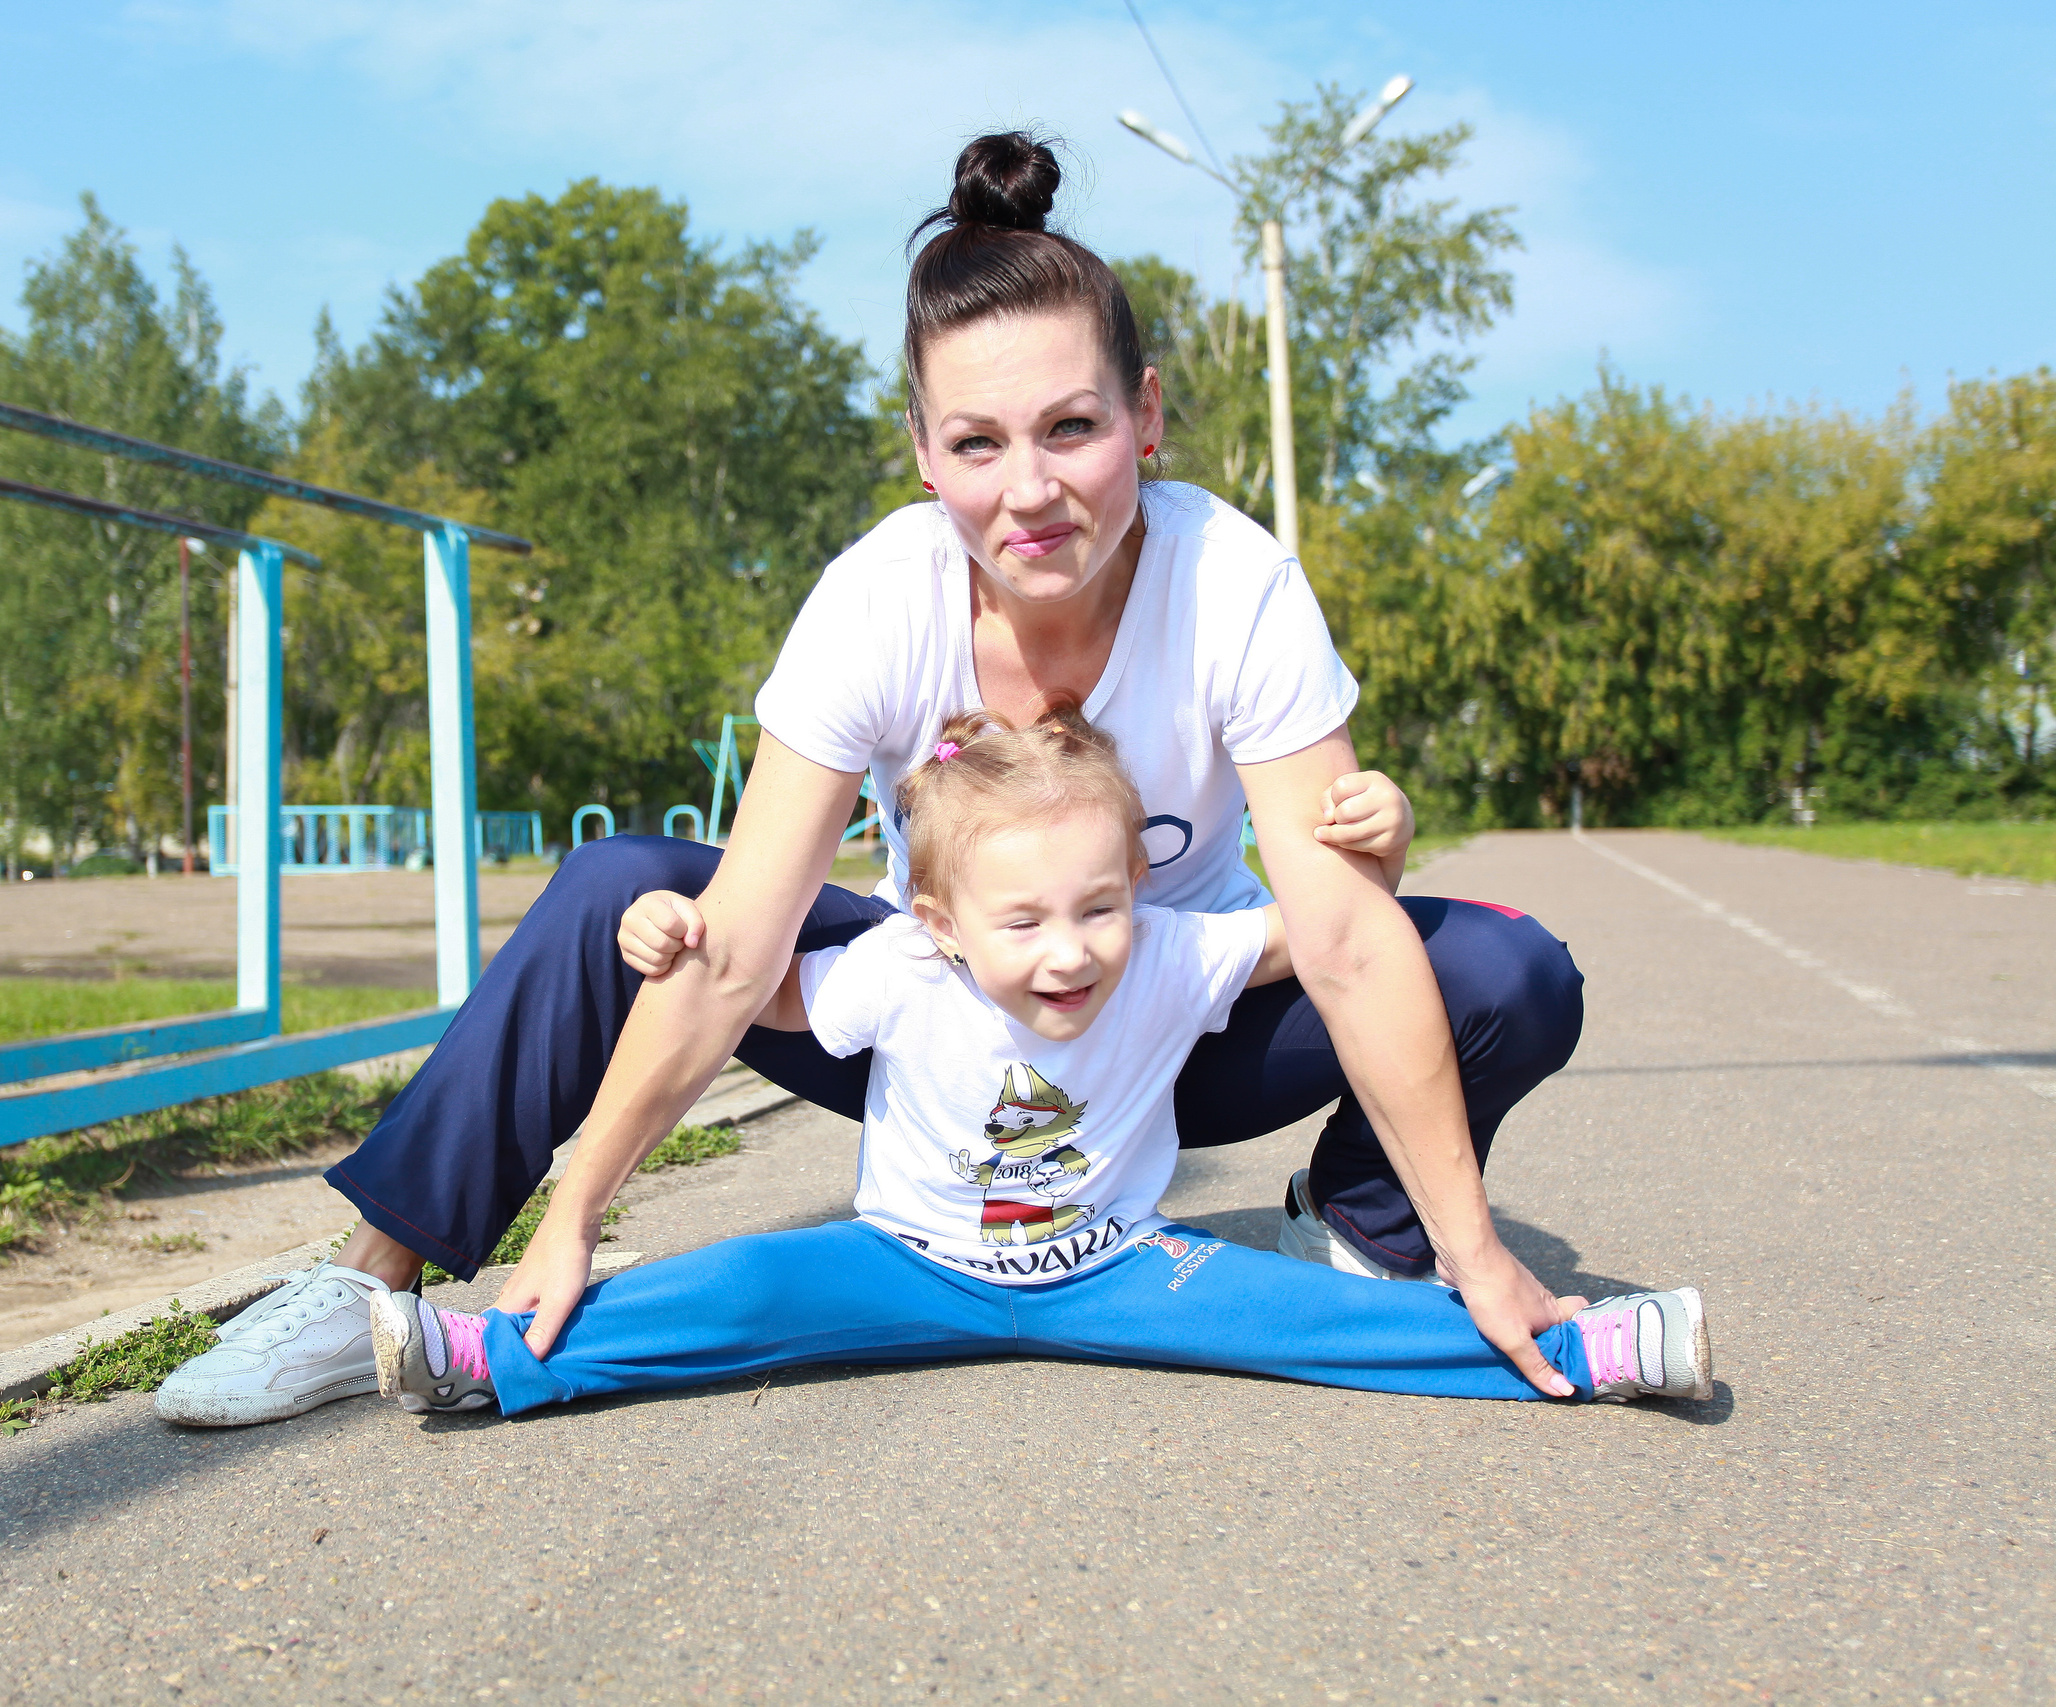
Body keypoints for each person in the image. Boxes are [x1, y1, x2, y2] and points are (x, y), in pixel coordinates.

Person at [152, 129, 1588, 1430]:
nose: (1029, 492)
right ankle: (366, 1284)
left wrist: (1475, 1249)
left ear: (1146, 417)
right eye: (978, 444)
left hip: (1162, 1025)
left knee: (1510, 973)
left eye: (1073, 429)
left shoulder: (1234, 580)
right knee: (621, 892)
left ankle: (1357, 1232)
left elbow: (1338, 933)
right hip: (933, 1026)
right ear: (923, 453)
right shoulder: (877, 600)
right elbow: (739, 949)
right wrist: (576, 1210)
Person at [366, 707, 1708, 1418]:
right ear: (941, 920)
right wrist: (661, 932)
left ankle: (1591, 1350)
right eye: (1024, 922)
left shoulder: (1165, 952)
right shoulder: (900, 962)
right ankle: (481, 1355)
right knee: (729, 1297)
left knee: (1321, 1328)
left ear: (1136, 887)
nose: (1070, 952)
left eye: (1099, 908)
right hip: (899, 1258)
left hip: (1114, 1267)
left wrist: (1384, 852)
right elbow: (757, 992)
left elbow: (1328, 938)